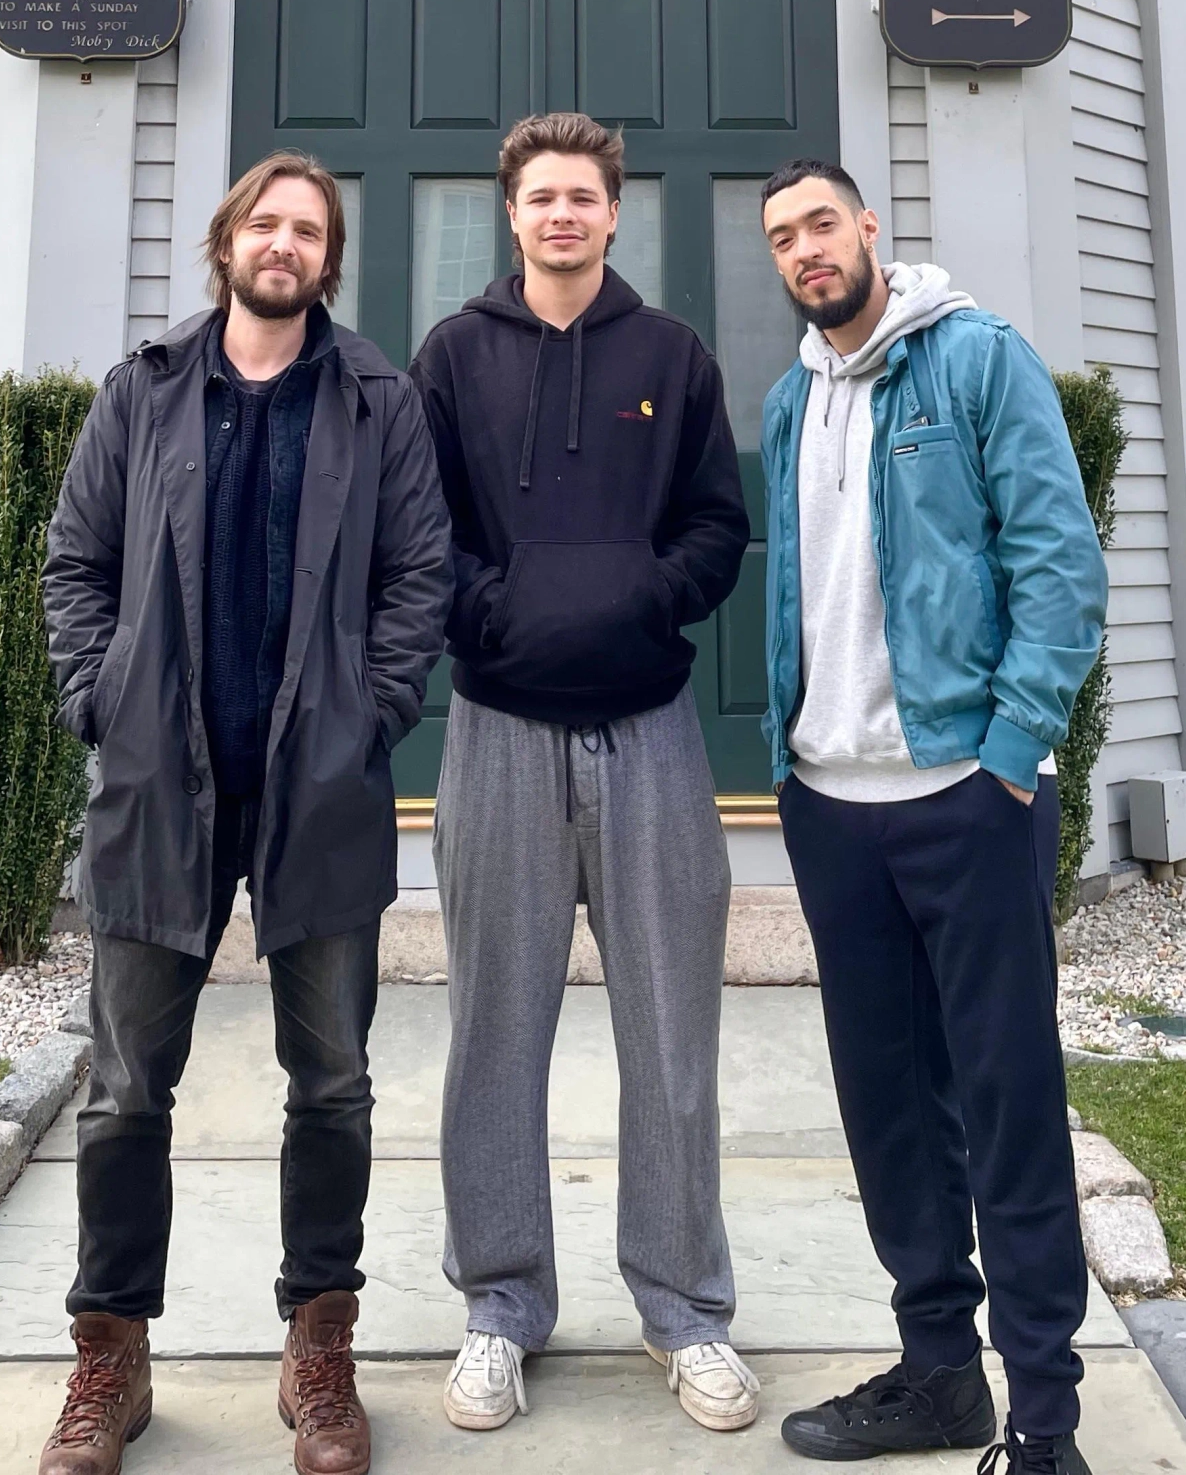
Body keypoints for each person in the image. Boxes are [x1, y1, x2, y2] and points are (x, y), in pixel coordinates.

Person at [38, 151, 451, 1475]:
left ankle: (318, 1354)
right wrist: (102, 700)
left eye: (308, 231)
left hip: (318, 793)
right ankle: (110, 1360)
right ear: (227, 243)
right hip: (161, 788)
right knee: (120, 1095)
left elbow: (418, 574)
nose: (284, 245)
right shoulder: (144, 392)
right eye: (265, 224)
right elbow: (77, 562)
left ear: (328, 260)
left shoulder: (377, 400)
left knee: (330, 1083)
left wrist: (372, 715)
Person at [408, 112, 758, 1436]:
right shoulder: (452, 357)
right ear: (513, 214)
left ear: (616, 215)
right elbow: (420, 531)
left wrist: (638, 603)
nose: (562, 215)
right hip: (497, 732)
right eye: (540, 196)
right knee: (496, 1034)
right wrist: (495, 619)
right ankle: (500, 1303)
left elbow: (718, 524)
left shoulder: (670, 356)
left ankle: (686, 1311)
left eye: (583, 197)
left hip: (654, 735)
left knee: (672, 1036)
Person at [756, 159, 1107, 1475]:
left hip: (966, 796)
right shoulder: (794, 398)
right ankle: (940, 1374)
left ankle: (1048, 1426)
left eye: (821, 225)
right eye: (783, 236)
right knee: (891, 1112)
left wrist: (1014, 750)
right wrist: (791, 759)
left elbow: (1058, 560)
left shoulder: (974, 360)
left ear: (870, 232)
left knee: (1008, 1100)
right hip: (834, 815)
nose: (804, 249)